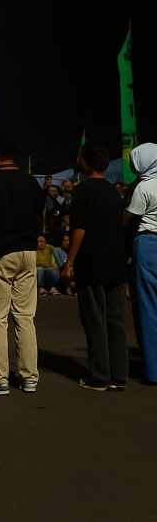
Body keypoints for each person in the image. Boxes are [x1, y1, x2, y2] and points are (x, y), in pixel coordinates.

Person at [0, 130, 44, 394]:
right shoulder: (30, 182)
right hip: (27, 253)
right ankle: (29, 377)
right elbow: (40, 214)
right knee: (26, 317)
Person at [60, 141, 128, 391]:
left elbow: (79, 229)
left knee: (95, 319)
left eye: (80, 157)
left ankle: (99, 376)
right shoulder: (114, 191)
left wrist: (69, 262)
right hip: (116, 261)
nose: (77, 160)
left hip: (94, 262)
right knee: (115, 320)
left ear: (87, 162)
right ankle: (119, 375)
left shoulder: (83, 190)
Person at [124, 143, 157, 384]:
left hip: (147, 244)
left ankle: (153, 371)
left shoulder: (143, 187)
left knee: (148, 307)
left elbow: (128, 221)